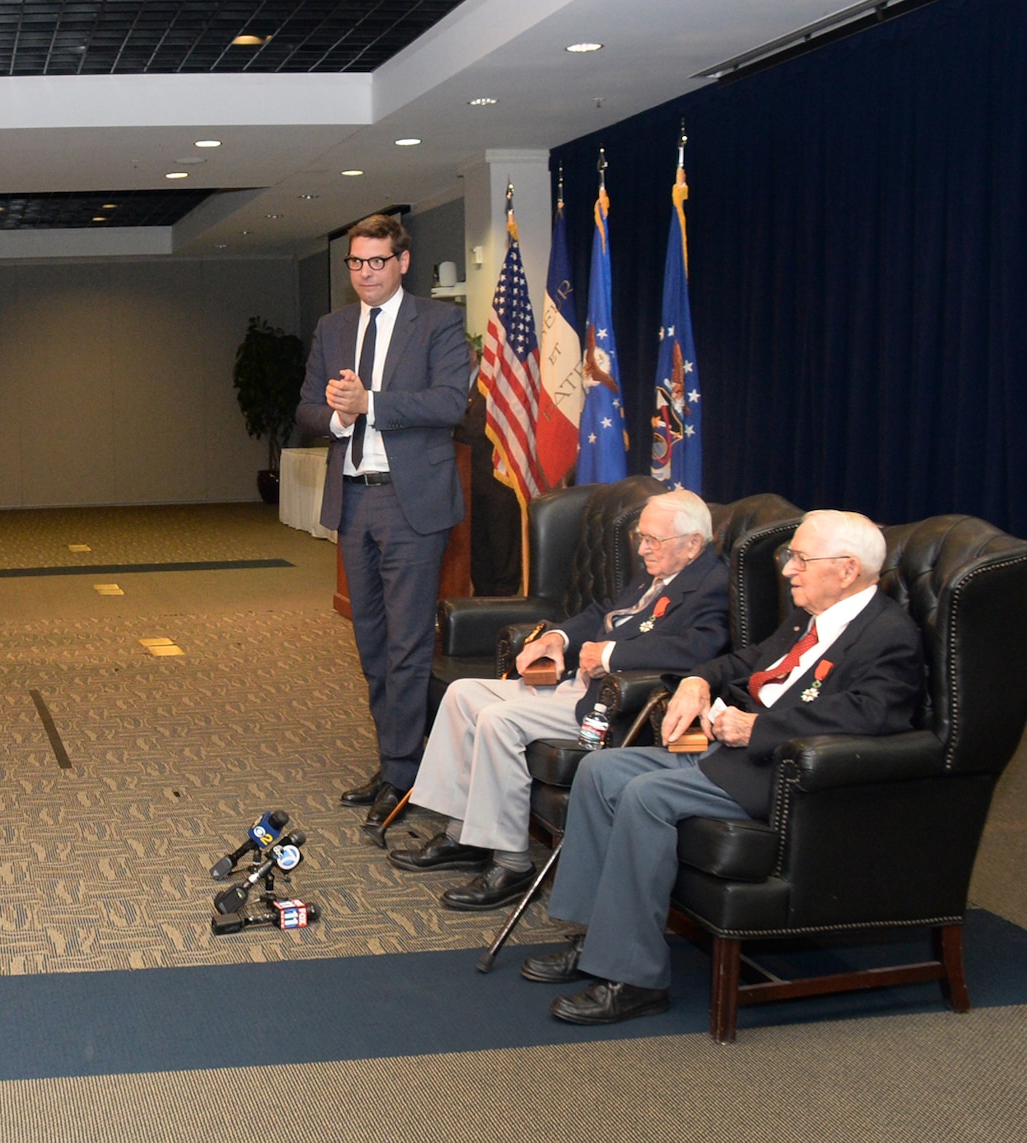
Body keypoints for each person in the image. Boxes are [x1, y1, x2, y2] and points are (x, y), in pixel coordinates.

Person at [528, 509, 925, 1025]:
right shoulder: (812, 617)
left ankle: (636, 978)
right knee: (600, 772)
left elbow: (872, 715)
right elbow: (750, 660)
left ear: (847, 569)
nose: (787, 571)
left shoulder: (887, 633)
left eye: (800, 559)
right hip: (730, 751)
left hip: (782, 773)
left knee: (647, 795)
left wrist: (759, 730)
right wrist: (697, 681)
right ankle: (595, 941)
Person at [392, 491, 731, 910]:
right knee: (464, 694)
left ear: (693, 543)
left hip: (615, 702)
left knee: (499, 720)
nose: (642, 548)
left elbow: (699, 650)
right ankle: (463, 835)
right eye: (641, 538)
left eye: (652, 540)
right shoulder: (658, 568)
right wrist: (559, 637)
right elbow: (606, 611)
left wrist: (609, 655)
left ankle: (512, 863)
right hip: (578, 682)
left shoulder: (712, 585)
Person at [295, 214, 474, 826]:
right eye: (355, 263)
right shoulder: (333, 326)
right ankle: (397, 761)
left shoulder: (440, 322)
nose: (365, 273)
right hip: (354, 499)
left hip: (411, 501)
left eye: (376, 262)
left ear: (402, 262)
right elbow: (308, 408)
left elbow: (452, 401)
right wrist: (341, 417)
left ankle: (405, 772)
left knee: (408, 642)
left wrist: (372, 402)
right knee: (370, 640)